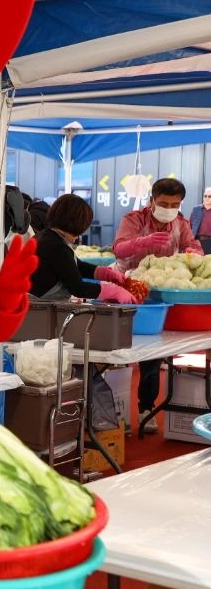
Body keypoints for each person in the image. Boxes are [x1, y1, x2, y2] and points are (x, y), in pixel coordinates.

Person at [113, 177, 204, 433]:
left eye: (175, 204)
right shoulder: (133, 220)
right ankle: (112, 413)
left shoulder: (181, 223)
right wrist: (144, 242)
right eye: (163, 203)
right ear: (152, 200)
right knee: (119, 354)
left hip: (160, 298)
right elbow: (118, 249)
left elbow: (192, 246)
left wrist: (194, 254)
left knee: (152, 356)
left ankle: (146, 409)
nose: (169, 208)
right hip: (128, 290)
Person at [30, 194, 135, 302]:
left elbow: (72, 266)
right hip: (41, 310)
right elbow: (78, 288)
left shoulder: (46, 237)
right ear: (76, 224)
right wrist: (111, 291)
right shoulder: (57, 247)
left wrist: (103, 272)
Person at [189, 187, 211, 254]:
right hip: (197, 241)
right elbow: (189, 226)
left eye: (210, 196)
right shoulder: (196, 209)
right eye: (205, 196)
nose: (207, 198)